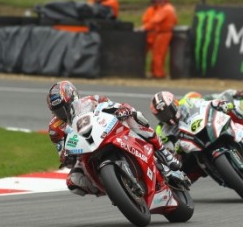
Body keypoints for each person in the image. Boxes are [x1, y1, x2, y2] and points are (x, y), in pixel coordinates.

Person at [46, 81, 184, 196]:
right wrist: (66, 157)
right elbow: (62, 150)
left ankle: (164, 153)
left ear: (72, 98)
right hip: (84, 151)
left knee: (133, 116)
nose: (62, 113)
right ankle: (111, 189)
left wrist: (122, 109)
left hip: (105, 132)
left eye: (64, 107)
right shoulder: (55, 128)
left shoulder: (89, 101)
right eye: (58, 110)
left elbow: (109, 104)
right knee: (73, 181)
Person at [142, 0, 177, 79]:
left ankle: (158, 74)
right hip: (165, 33)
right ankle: (156, 72)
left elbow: (155, 21)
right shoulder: (171, 8)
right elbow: (175, 21)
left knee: (158, 55)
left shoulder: (165, 10)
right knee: (160, 54)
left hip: (162, 33)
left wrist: (144, 27)